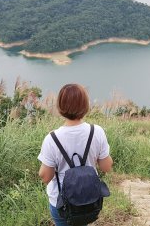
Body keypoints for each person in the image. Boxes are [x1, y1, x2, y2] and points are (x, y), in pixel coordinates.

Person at [38, 84, 114, 226]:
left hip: (62, 204)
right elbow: (107, 167)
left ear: (60, 107)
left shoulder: (52, 138)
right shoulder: (96, 132)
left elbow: (45, 176)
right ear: (85, 106)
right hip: (90, 199)